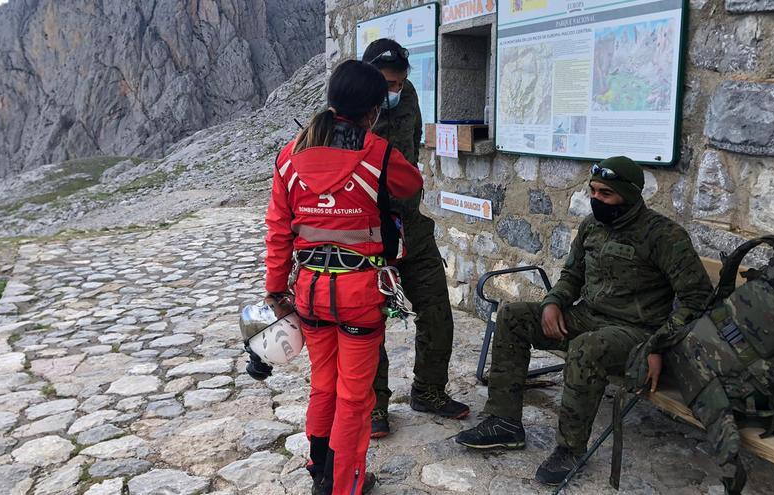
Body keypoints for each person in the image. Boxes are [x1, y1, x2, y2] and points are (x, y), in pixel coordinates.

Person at [455, 156, 713, 485]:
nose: (596, 199)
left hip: (636, 332)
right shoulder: (591, 226)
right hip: (587, 315)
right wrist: (553, 302)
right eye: (592, 191)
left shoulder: (665, 236)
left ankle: (570, 448)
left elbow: (697, 299)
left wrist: (658, 345)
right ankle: (504, 422)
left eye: (606, 193)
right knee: (514, 315)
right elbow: (572, 274)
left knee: (586, 348)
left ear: (629, 195)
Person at [264, 60, 423, 495]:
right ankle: (344, 485)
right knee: (355, 397)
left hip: (310, 291)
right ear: (373, 110)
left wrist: (276, 290)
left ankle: (321, 472)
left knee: (324, 385)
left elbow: (278, 229)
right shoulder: (377, 153)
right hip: (359, 293)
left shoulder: (289, 156)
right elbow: (411, 185)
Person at [362, 38, 469, 438]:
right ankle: (375, 408)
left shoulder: (407, 97)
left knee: (437, 310)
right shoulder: (350, 107)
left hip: (412, 224)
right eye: (388, 83)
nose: (395, 90)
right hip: (369, 231)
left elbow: (411, 155)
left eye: (400, 83)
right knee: (371, 321)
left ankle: (429, 390)